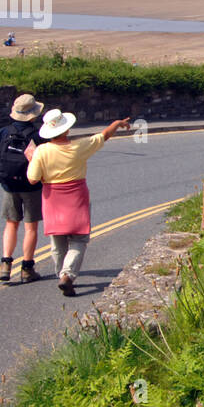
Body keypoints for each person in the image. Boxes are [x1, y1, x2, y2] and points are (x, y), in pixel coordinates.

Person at [27, 109, 131, 296]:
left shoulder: (41, 151)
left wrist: (32, 159)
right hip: (76, 196)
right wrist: (117, 123)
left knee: (57, 240)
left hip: (52, 198)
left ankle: (61, 273)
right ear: (66, 130)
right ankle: (68, 274)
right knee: (79, 238)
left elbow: (33, 179)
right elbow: (104, 135)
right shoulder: (79, 146)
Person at [0, 94, 46, 284]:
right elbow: (42, 163)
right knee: (31, 227)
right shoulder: (37, 135)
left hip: (10, 185)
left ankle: (5, 264)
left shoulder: (4, 132)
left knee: (11, 224)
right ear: (33, 114)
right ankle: (27, 269)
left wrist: (4, 181)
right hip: (31, 186)